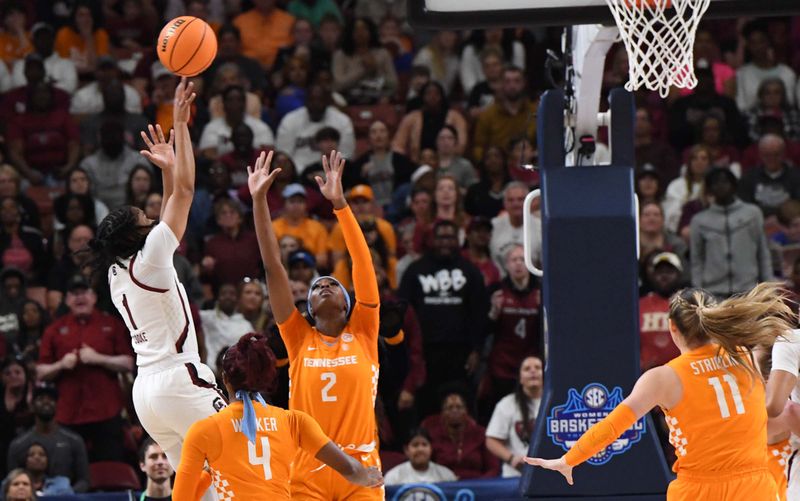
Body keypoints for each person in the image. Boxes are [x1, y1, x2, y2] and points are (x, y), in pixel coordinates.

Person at [525, 282, 795, 500]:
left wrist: (569, 459)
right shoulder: (743, 356)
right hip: (754, 486)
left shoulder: (664, 377)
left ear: (672, 328)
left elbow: (615, 424)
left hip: (699, 489)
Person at [86, 79, 224, 501]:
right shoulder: (153, 258)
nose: (151, 216)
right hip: (180, 377)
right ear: (137, 236)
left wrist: (166, 168)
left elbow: (167, 206)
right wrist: (180, 126)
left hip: (147, 394)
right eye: (144, 217)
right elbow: (184, 193)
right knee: (246, 449)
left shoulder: (116, 272)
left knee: (200, 486)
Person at [249, 149, 385, 500]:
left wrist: (340, 204)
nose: (324, 285)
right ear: (307, 308)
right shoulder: (297, 337)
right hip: (307, 468)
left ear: (348, 304)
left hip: (361, 465)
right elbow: (273, 268)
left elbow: (361, 262)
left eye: (332, 284)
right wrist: (259, 200)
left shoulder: (364, 331)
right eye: (316, 286)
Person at [173, 332, 383, 500]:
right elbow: (349, 469)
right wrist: (366, 475)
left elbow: (182, 498)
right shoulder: (294, 421)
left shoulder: (204, 431)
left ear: (225, 377)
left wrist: (209, 475)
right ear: (265, 377)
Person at [35, 274, 133, 462]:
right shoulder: (54, 330)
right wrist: (61, 365)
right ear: (67, 300)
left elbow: (128, 363)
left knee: (110, 467)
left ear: (94, 297)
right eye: (74, 293)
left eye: (84, 292)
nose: (80, 298)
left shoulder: (111, 324)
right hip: (67, 414)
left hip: (107, 412)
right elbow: (41, 372)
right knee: (68, 471)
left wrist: (99, 359)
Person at [690, 167, 772, 297]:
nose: (720, 186)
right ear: (710, 189)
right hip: (714, 293)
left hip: (748, 291)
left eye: (724, 181)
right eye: (715, 183)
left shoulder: (752, 213)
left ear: (733, 186)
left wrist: (769, 287)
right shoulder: (699, 221)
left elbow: (762, 252)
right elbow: (697, 260)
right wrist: (698, 293)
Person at [8, 383, 89, 493]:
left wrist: (67, 495)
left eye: (51, 399)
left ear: (57, 405)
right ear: (32, 406)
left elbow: (84, 480)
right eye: (41, 399)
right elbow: (12, 482)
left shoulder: (74, 441)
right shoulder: (18, 445)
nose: (46, 402)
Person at [486, 356, 543, 478]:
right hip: (515, 476)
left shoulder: (557, 403)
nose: (533, 371)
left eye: (538, 368)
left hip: (551, 473)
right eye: (527, 369)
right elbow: (491, 440)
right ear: (520, 378)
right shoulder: (507, 404)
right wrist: (511, 458)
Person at [383, 428, 457, 485]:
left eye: (424, 444)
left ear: (431, 448)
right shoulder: (393, 477)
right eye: (415, 445)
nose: (420, 449)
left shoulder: (446, 475)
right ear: (406, 450)